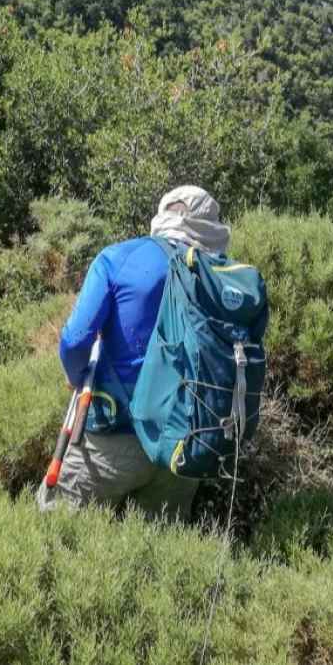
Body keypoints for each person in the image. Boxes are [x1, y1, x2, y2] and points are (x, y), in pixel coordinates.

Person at [36, 185, 230, 521]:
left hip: (112, 439)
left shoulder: (120, 257)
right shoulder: (222, 276)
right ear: (210, 225)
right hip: (185, 446)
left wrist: (75, 375)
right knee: (161, 554)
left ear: (163, 213)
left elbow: (75, 340)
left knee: (60, 532)